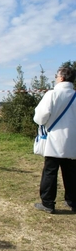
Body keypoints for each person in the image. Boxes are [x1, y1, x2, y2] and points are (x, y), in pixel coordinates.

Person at [33, 66, 76, 214]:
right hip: (72, 142)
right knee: (71, 174)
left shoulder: (52, 94)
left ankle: (48, 203)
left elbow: (40, 117)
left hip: (54, 141)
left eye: (56, 75)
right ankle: (72, 201)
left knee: (50, 172)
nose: (55, 78)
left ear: (62, 78)